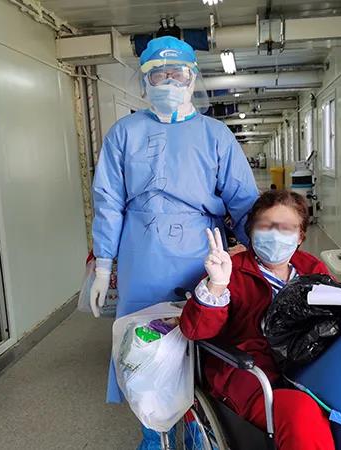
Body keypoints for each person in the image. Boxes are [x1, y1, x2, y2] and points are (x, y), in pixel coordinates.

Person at [89, 35, 258, 449]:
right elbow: (108, 201)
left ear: (192, 78)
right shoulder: (124, 133)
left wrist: (260, 257)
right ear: (143, 81)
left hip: (202, 254)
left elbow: (243, 200)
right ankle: (153, 432)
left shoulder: (215, 135)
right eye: (158, 74)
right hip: (141, 254)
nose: (168, 82)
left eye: (177, 74)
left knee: (203, 339)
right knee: (143, 347)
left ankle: (201, 432)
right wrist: (104, 265)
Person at [180, 190, 341, 450]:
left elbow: (333, 322)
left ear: (300, 236)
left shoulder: (311, 267)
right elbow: (196, 331)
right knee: (301, 412)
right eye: (266, 226)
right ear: (250, 230)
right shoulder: (232, 270)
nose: (275, 235)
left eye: (286, 228)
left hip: (313, 365)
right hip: (256, 374)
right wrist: (216, 285)